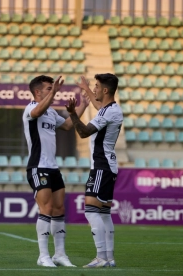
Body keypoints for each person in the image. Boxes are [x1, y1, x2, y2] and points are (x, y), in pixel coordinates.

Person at [23, 75, 89, 267]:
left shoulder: (51, 113)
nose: (52, 90)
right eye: (48, 88)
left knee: (59, 209)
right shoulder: (30, 109)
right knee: (47, 209)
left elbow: (68, 126)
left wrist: (83, 105)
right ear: (37, 92)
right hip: (38, 166)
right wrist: (55, 92)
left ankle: (59, 254)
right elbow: (36, 112)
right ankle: (43, 256)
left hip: (52, 167)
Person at [65, 73, 123, 268]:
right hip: (108, 165)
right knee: (104, 213)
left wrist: (73, 113)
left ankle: (100, 257)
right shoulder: (112, 109)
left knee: (91, 212)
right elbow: (99, 105)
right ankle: (109, 258)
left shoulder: (108, 112)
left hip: (101, 166)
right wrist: (86, 89)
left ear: (105, 90)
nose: (95, 89)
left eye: (97, 86)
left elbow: (83, 132)